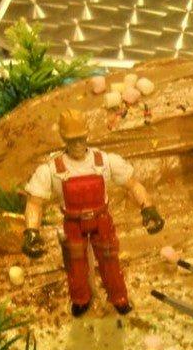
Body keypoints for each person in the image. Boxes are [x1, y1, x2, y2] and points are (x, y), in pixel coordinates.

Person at [22, 109, 164, 316]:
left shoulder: (105, 161)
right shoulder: (52, 169)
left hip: (101, 220)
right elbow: (35, 202)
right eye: (72, 140)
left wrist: (148, 207)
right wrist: (31, 232)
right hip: (73, 223)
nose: (78, 144)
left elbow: (133, 185)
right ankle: (81, 299)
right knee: (76, 265)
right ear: (64, 138)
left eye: (81, 138)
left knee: (110, 261)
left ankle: (119, 297)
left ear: (87, 135)